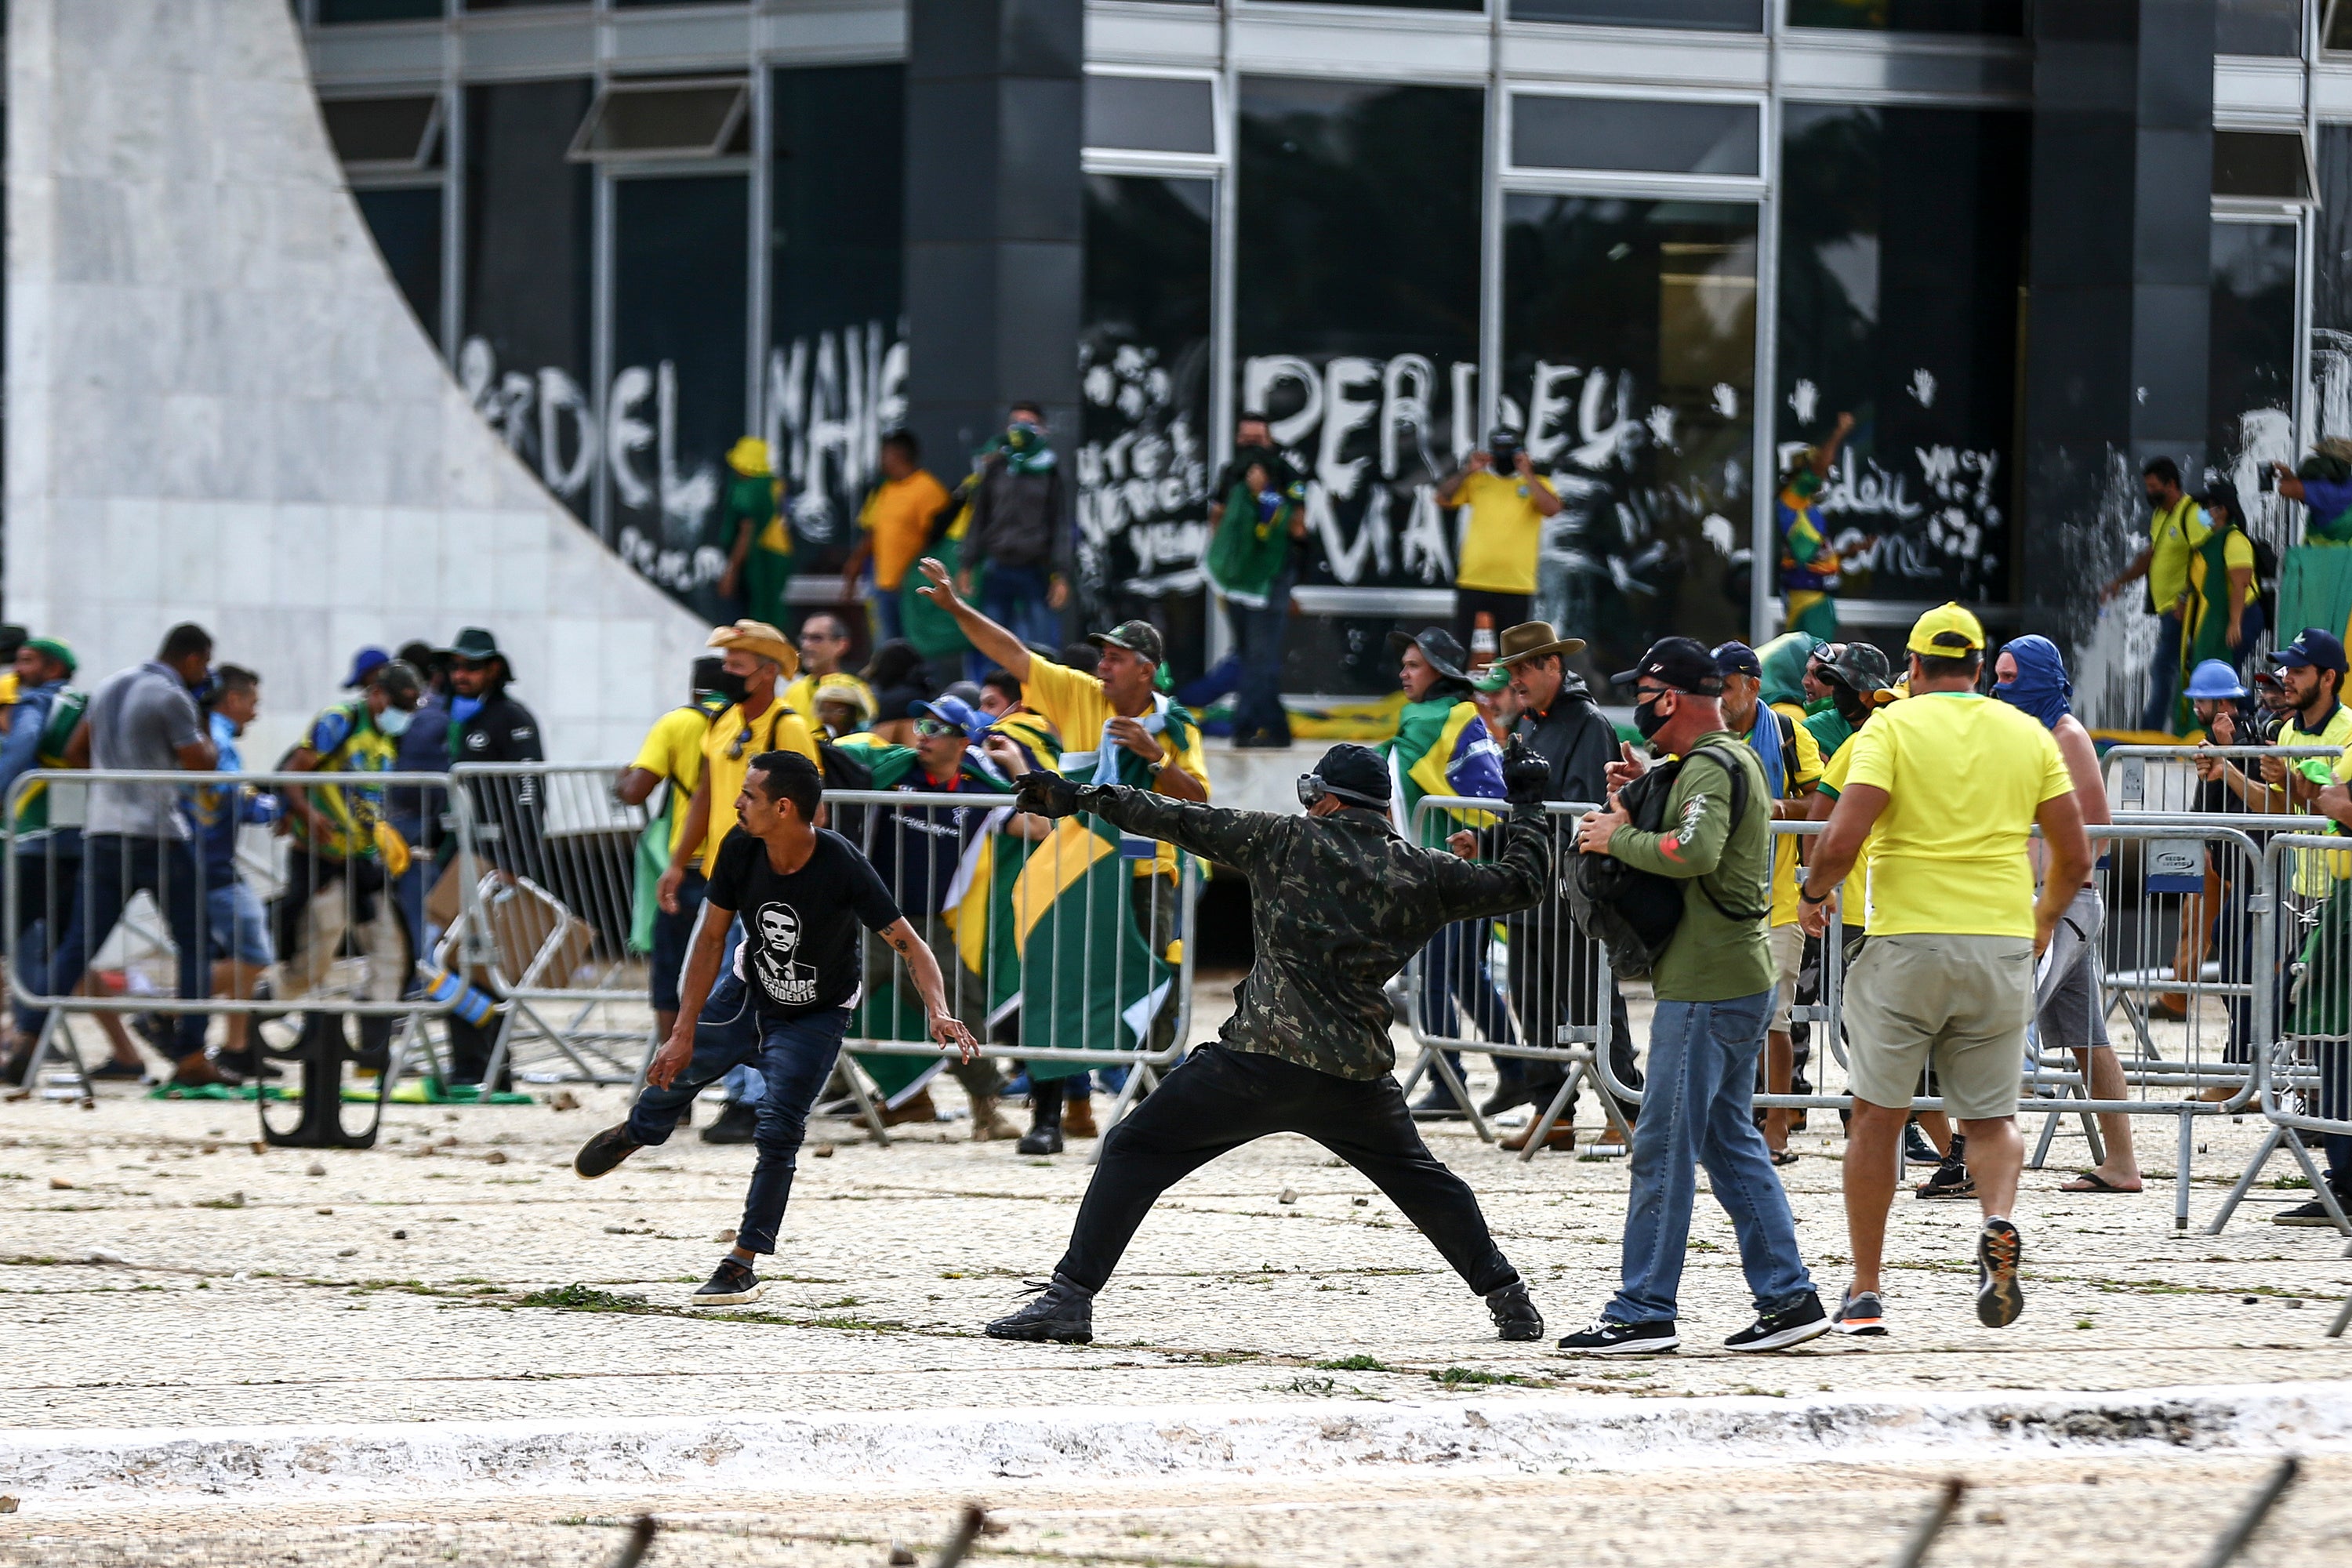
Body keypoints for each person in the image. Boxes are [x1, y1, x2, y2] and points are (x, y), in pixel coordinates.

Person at [982, 740, 1555, 1345]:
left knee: (1131, 1151)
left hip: (1257, 1061)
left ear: (1327, 800)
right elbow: (1522, 883)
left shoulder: (1283, 839)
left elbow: (1176, 817)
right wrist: (1527, 802)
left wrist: (1082, 797)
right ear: (1384, 811)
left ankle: (1069, 1300)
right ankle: (1508, 1297)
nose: (1307, 806)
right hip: (1354, 1075)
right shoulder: (1424, 870)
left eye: (1312, 795)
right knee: (1424, 1182)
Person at [573, 751, 979, 1305]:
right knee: (671, 1080)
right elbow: (711, 940)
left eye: (748, 796)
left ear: (783, 808)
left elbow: (911, 943)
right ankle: (637, 1133)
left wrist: (937, 1007)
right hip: (745, 997)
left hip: (815, 1016)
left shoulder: (841, 864)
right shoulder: (740, 849)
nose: (737, 804)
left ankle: (742, 1261)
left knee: (779, 1130)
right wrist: (683, 1029)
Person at [1799, 604, 2092, 1337]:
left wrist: (1812, 894)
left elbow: (1840, 836)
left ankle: (1866, 1291)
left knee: (1876, 1117)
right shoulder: (2027, 734)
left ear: (1916, 666)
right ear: (1978, 666)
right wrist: (2044, 920)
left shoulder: (1892, 727)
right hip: (1998, 943)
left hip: (1906, 944)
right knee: (1991, 1121)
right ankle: (1997, 1220)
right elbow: (2076, 854)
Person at [1554, 639, 1824, 1356]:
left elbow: (1695, 852)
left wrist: (1616, 839)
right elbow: (1696, 830)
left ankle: (1642, 1307)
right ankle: (1789, 1297)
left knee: (1664, 1143)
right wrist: (1643, 790)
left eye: (1642, 691)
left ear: (1669, 698)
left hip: (1707, 987)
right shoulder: (1718, 762)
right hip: (1727, 978)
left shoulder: (1712, 762)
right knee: (1727, 1140)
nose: (1635, 705)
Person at [917, 559, 1206, 1151]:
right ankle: (1048, 1119)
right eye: (1102, 656)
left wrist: (1155, 756)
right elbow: (1015, 652)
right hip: (1069, 873)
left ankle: (1151, 1119)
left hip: (1145, 874)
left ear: (1146, 670)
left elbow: (1199, 799)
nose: (1102, 666)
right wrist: (954, 609)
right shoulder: (1079, 695)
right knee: (1053, 986)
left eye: (1116, 658)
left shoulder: (1176, 725)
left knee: (1152, 990)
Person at [24, 626, 223, 1084]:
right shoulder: (172, 696)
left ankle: (27, 1039)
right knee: (193, 942)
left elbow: (77, 751)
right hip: (158, 833)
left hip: (104, 829)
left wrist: (114, 783)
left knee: (79, 944)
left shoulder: (110, 684)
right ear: (194, 660)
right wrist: (206, 714)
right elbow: (203, 764)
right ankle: (192, 1054)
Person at [659, 621, 826, 1142]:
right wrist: (677, 861)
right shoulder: (722, 721)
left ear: (768, 672)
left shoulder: (789, 726)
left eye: (736, 665)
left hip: (770, 881)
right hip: (724, 878)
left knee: (753, 994)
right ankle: (736, 1095)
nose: (725, 673)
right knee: (713, 989)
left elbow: (811, 808)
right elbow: (705, 798)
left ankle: (752, 1102)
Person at [832, 694, 1022, 1140]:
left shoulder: (980, 790)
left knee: (959, 1012)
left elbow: (1037, 827)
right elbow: (841, 766)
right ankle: (784, 1098)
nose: (922, 736)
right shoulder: (893, 775)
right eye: (921, 724)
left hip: (929, 925)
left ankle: (985, 1108)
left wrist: (1015, 768)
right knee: (827, 1000)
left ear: (961, 741)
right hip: (870, 917)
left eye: (937, 729)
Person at [1991, 636, 2140, 1194]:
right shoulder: (2030, 734)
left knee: (1999, 1019)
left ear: (2034, 676)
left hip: (2063, 904)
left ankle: (1976, 1151)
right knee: (2088, 1039)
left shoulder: (2066, 736)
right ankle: (2121, 1163)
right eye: (1997, 676)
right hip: (2050, 900)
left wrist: (2043, 895)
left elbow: (2096, 830)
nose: (1999, 688)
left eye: (2009, 677)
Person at [1489, 621, 1639, 1147]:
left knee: (1592, 1003)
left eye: (1526, 667)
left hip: (1572, 888)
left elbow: (1581, 805)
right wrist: (1486, 843)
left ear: (1554, 665)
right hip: (1529, 887)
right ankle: (1552, 1111)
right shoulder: (1528, 726)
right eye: (1511, 670)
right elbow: (1522, 809)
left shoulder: (1587, 723)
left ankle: (1627, 1108)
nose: (1517, 679)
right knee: (1531, 1003)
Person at [1383, 628, 1516, 1119]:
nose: (1404, 673)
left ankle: (1448, 1083)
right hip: (1477, 866)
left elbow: (1388, 772)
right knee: (1464, 974)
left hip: (1447, 870)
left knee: (1433, 976)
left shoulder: (1430, 717)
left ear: (1438, 670)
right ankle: (1517, 1070)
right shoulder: (1466, 716)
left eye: (1414, 665)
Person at [278, 659, 423, 1075]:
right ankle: (259, 1011)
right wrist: (307, 813)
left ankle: (372, 1057)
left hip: (362, 863)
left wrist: (382, 832)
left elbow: (368, 793)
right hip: (321, 861)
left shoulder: (387, 739)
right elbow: (293, 772)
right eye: (399, 705)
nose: (404, 716)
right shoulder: (339, 722)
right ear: (377, 695)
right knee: (315, 960)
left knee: (392, 953)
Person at [1714, 641, 1823, 1161]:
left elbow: (1823, 803)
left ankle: (1777, 1122)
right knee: (1717, 1015)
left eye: (1727, 687)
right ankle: (1725, 1119)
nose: (1719, 698)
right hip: (1715, 900)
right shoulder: (1702, 733)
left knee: (1775, 1019)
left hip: (1778, 899)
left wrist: (1778, 805)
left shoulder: (1785, 732)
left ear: (1753, 686)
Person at [619, 657, 731, 1057]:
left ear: (694, 687)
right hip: (738, 863)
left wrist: (622, 776)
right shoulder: (745, 724)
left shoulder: (677, 724)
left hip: (691, 865)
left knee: (671, 974)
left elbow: (635, 791)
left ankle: (673, 1077)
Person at [0, 637, 89, 1083]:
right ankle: (30, 1041)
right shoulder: (81, 703)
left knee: (18, 940)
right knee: (62, 949)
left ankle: (25, 1040)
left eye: (27, 662)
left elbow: (21, 748)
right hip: (79, 841)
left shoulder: (37, 701)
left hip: (36, 839)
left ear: (53, 668)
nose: (19, 669)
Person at [190, 666, 279, 1079]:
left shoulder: (207, 730)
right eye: (253, 703)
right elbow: (233, 798)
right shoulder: (219, 737)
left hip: (205, 859)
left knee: (235, 953)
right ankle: (166, 1008)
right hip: (209, 863)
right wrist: (278, 807)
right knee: (255, 953)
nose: (256, 713)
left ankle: (237, 1047)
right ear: (233, 700)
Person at [1204, 455, 1306, 750]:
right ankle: (1273, 727)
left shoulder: (1275, 504)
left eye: (1259, 470)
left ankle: (1249, 725)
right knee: (1250, 658)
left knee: (1259, 660)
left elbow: (1289, 534)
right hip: (1236, 585)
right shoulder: (1237, 494)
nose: (1254, 476)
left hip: (1265, 587)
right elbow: (1222, 528)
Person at [2101, 459, 2210, 735]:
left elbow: (2208, 554)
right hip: (2168, 610)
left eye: (2153, 487)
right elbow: (2149, 557)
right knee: (2170, 667)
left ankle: (2154, 730)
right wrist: (2120, 582)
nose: (2148, 493)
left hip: (2185, 609)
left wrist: (2186, 597)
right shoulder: (2161, 515)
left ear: (2171, 484)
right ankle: (2170, 726)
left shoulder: (2194, 513)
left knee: (2164, 667)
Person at [959, 403, 1071, 662]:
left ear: (1042, 430)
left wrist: (1061, 574)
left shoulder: (1049, 470)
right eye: (1015, 423)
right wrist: (967, 563)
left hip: (1035, 568)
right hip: (997, 565)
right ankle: (993, 700)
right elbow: (980, 517)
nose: (1020, 430)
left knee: (1042, 647)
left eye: (1028, 423)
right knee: (991, 642)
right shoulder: (997, 466)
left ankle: (1040, 701)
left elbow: (1060, 525)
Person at [1438, 427, 1563, 650]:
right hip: (1474, 578)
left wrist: (1528, 474)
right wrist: (1469, 470)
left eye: (1509, 449)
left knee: (1511, 656)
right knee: (1458, 650)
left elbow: (1552, 509)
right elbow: (1442, 497)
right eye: (1499, 449)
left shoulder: (1537, 484)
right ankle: (1457, 686)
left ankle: (1507, 688)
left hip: (1516, 583)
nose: (1504, 455)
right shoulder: (1478, 481)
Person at [843, 430, 953, 646]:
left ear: (898, 454)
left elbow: (938, 540)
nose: (880, 460)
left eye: (884, 453)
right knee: (886, 645)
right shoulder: (886, 489)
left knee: (916, 646)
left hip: (913, 586)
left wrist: (921, 575)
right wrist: (855, 563)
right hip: (883, 583)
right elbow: (873, 531)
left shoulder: (928, 490)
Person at [1774, 412, 1857, 640]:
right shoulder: (1791, 500)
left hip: (1818, 596)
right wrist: (1840, 432)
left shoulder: (1809, 508)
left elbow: (1814, 556)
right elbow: (1819, 466)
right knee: (1814, 663)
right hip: (1806, 599)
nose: (1824, 475)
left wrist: (1848, 553)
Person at [2182, 483, 2265, 692]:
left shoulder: (2235, 540)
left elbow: (2240, 585)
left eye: (2208, 507)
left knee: (2227, 675)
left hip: (2242, 615)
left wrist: (2235, 624)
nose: (2203, 512)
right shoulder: (2211, 541)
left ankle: (2241, 719)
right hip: (2220, 616)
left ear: (2222, 510)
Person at [717, 437, 791, 628]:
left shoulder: (748, 490)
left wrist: (731, 570)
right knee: (771, 613)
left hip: (755, 561)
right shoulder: (774, 485)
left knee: (751, 620)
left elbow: (746, 532)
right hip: (778, 555)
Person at [781, 613, 871, 731]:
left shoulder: (855, 689)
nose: (806, 645)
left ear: (841, 645)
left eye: (816, 638)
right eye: (804, 638)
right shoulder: (794, 690)